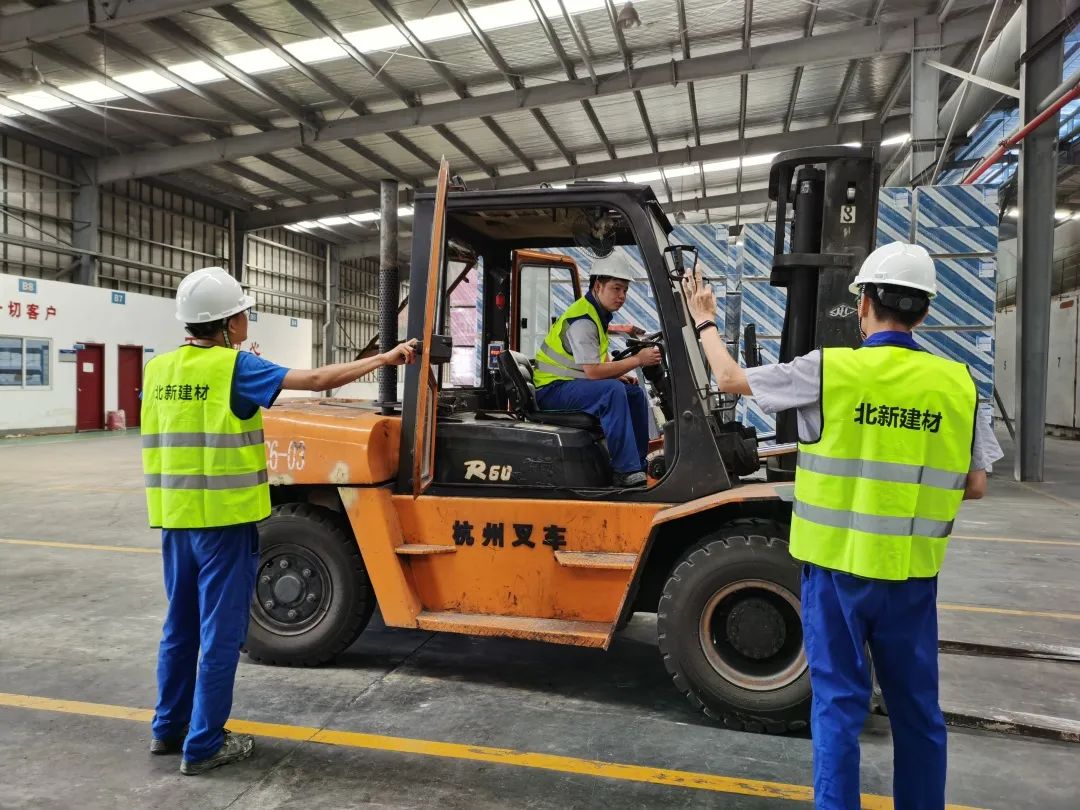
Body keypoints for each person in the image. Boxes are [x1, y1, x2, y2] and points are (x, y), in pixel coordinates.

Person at [683, 242, 1002, 809]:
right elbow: (975, 483)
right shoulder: (957, 382)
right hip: (910, 577)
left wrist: (704, 318)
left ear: (863, 304)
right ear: (925, 311)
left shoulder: (829, 370)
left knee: (837, 708)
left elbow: (728, 378)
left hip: (835, 577)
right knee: (917, 713)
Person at [142, 266, 417, 776]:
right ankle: (203, 746)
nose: (247, 319)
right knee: (221, 634)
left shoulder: (158, 369)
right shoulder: (234, 367)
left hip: (176, 521)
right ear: (227, 323)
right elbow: (315, 381)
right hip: (224, 525)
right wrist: (385, 357)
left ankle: (167, 729)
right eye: (243, 313)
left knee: (180, 628)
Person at [532, 253, 661, 487]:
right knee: (612, 391)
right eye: (616, 288)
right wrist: (638, 359)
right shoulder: (583, 319)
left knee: (633, 393)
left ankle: (638, 463)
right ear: (598, 285)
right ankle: (624, 470)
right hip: (551, 390)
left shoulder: (597, 314)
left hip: (568, 384)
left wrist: (619, 373)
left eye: (625, 290)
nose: (622, 296)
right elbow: (592, 372)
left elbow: (593, 361)